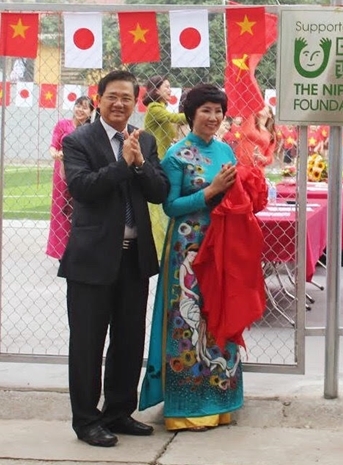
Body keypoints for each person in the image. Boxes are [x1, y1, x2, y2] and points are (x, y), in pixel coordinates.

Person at [58, 70, 169, 447]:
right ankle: (87, 420)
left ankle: (119, 411)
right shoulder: (78, 141)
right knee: (88, 343)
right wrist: (122, 165)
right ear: (99, 98)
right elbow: (82, 188)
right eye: (112, 97)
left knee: (128, 338)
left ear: (136, 101)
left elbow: (158, 191)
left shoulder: (145, 139)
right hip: (91, 259)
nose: (119, 104)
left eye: (126, 97)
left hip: (133, 258)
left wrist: (139, 164)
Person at [139, 84, 245, 432]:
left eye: (218, 111)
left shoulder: (227, 150)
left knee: (219, 316)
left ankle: (222, 401)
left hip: (222, 249)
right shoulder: (176, 155)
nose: (213, 118)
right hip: (187, 254)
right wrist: (210, 191)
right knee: (189, 322)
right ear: (191, 114)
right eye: (206, 111)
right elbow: (170, 206)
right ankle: (187, 406)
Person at [142, 75, 189, 254]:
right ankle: (159, 248)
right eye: (166, 87)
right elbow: (176, 118)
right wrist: (196, 112)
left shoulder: (161, 108)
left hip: (161, 161)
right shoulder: (155, 108)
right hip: (154, 162)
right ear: (156, 90)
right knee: (156, 209)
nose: (170, 90)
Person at [46, 95, 94, 260]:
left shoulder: (90, 131)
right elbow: (53, 146)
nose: (80, 109)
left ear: (91, 112)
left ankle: (78, 250)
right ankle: (61, 252)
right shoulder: (62, 125)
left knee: (80, 211)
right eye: (78, 105)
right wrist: (56, 154)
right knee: (61, 211)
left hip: (81, 174)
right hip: (62, 175)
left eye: (85, 107)